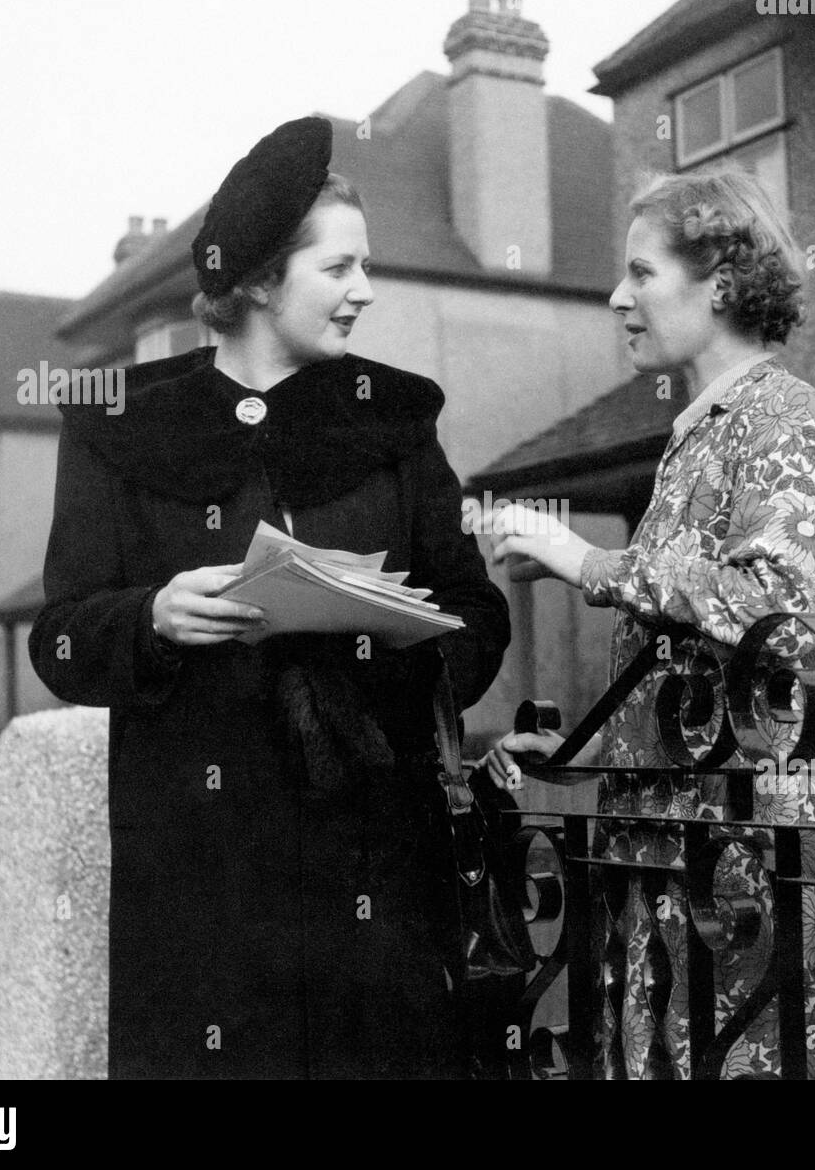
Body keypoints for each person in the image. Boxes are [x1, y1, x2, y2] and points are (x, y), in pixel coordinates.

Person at [30, 118, 510, 1080]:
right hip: (201, 893)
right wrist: (152, 617)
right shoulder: (122, 427)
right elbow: (60, 642)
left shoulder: (397, 420)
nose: (363, 292)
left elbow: (478, 610)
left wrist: (400, 633)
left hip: (374, 874)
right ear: (256, 281)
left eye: (364, 267)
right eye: (338, 269)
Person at [480, 167, 815, 1079]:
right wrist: (592, 750)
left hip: (761, 868)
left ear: (718, 280)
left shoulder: (784, 416)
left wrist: (583, 560)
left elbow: (773, 607)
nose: (618, 297)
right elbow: (688, 669)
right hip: (686, 857)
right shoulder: (696, 434)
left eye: (642, 273)